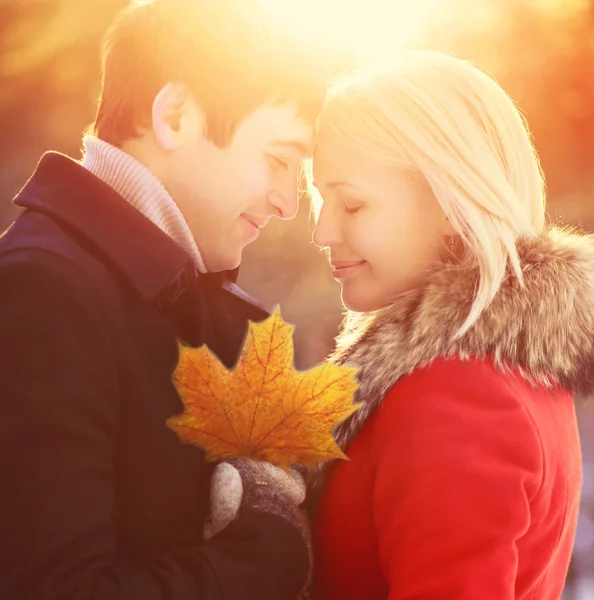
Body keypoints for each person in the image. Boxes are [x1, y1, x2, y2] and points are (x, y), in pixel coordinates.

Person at [0, 1, 327, 598]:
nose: (288, 203)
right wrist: (273, 551)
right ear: (175, 115)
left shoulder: (203, 302)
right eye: (279, 161)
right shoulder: (42, 294)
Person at [308, 51, 585, 599]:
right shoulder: (504, 369)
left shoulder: (461, 394)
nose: (321, 231)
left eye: (353, 205)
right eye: (320, 200)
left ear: (449, 200)